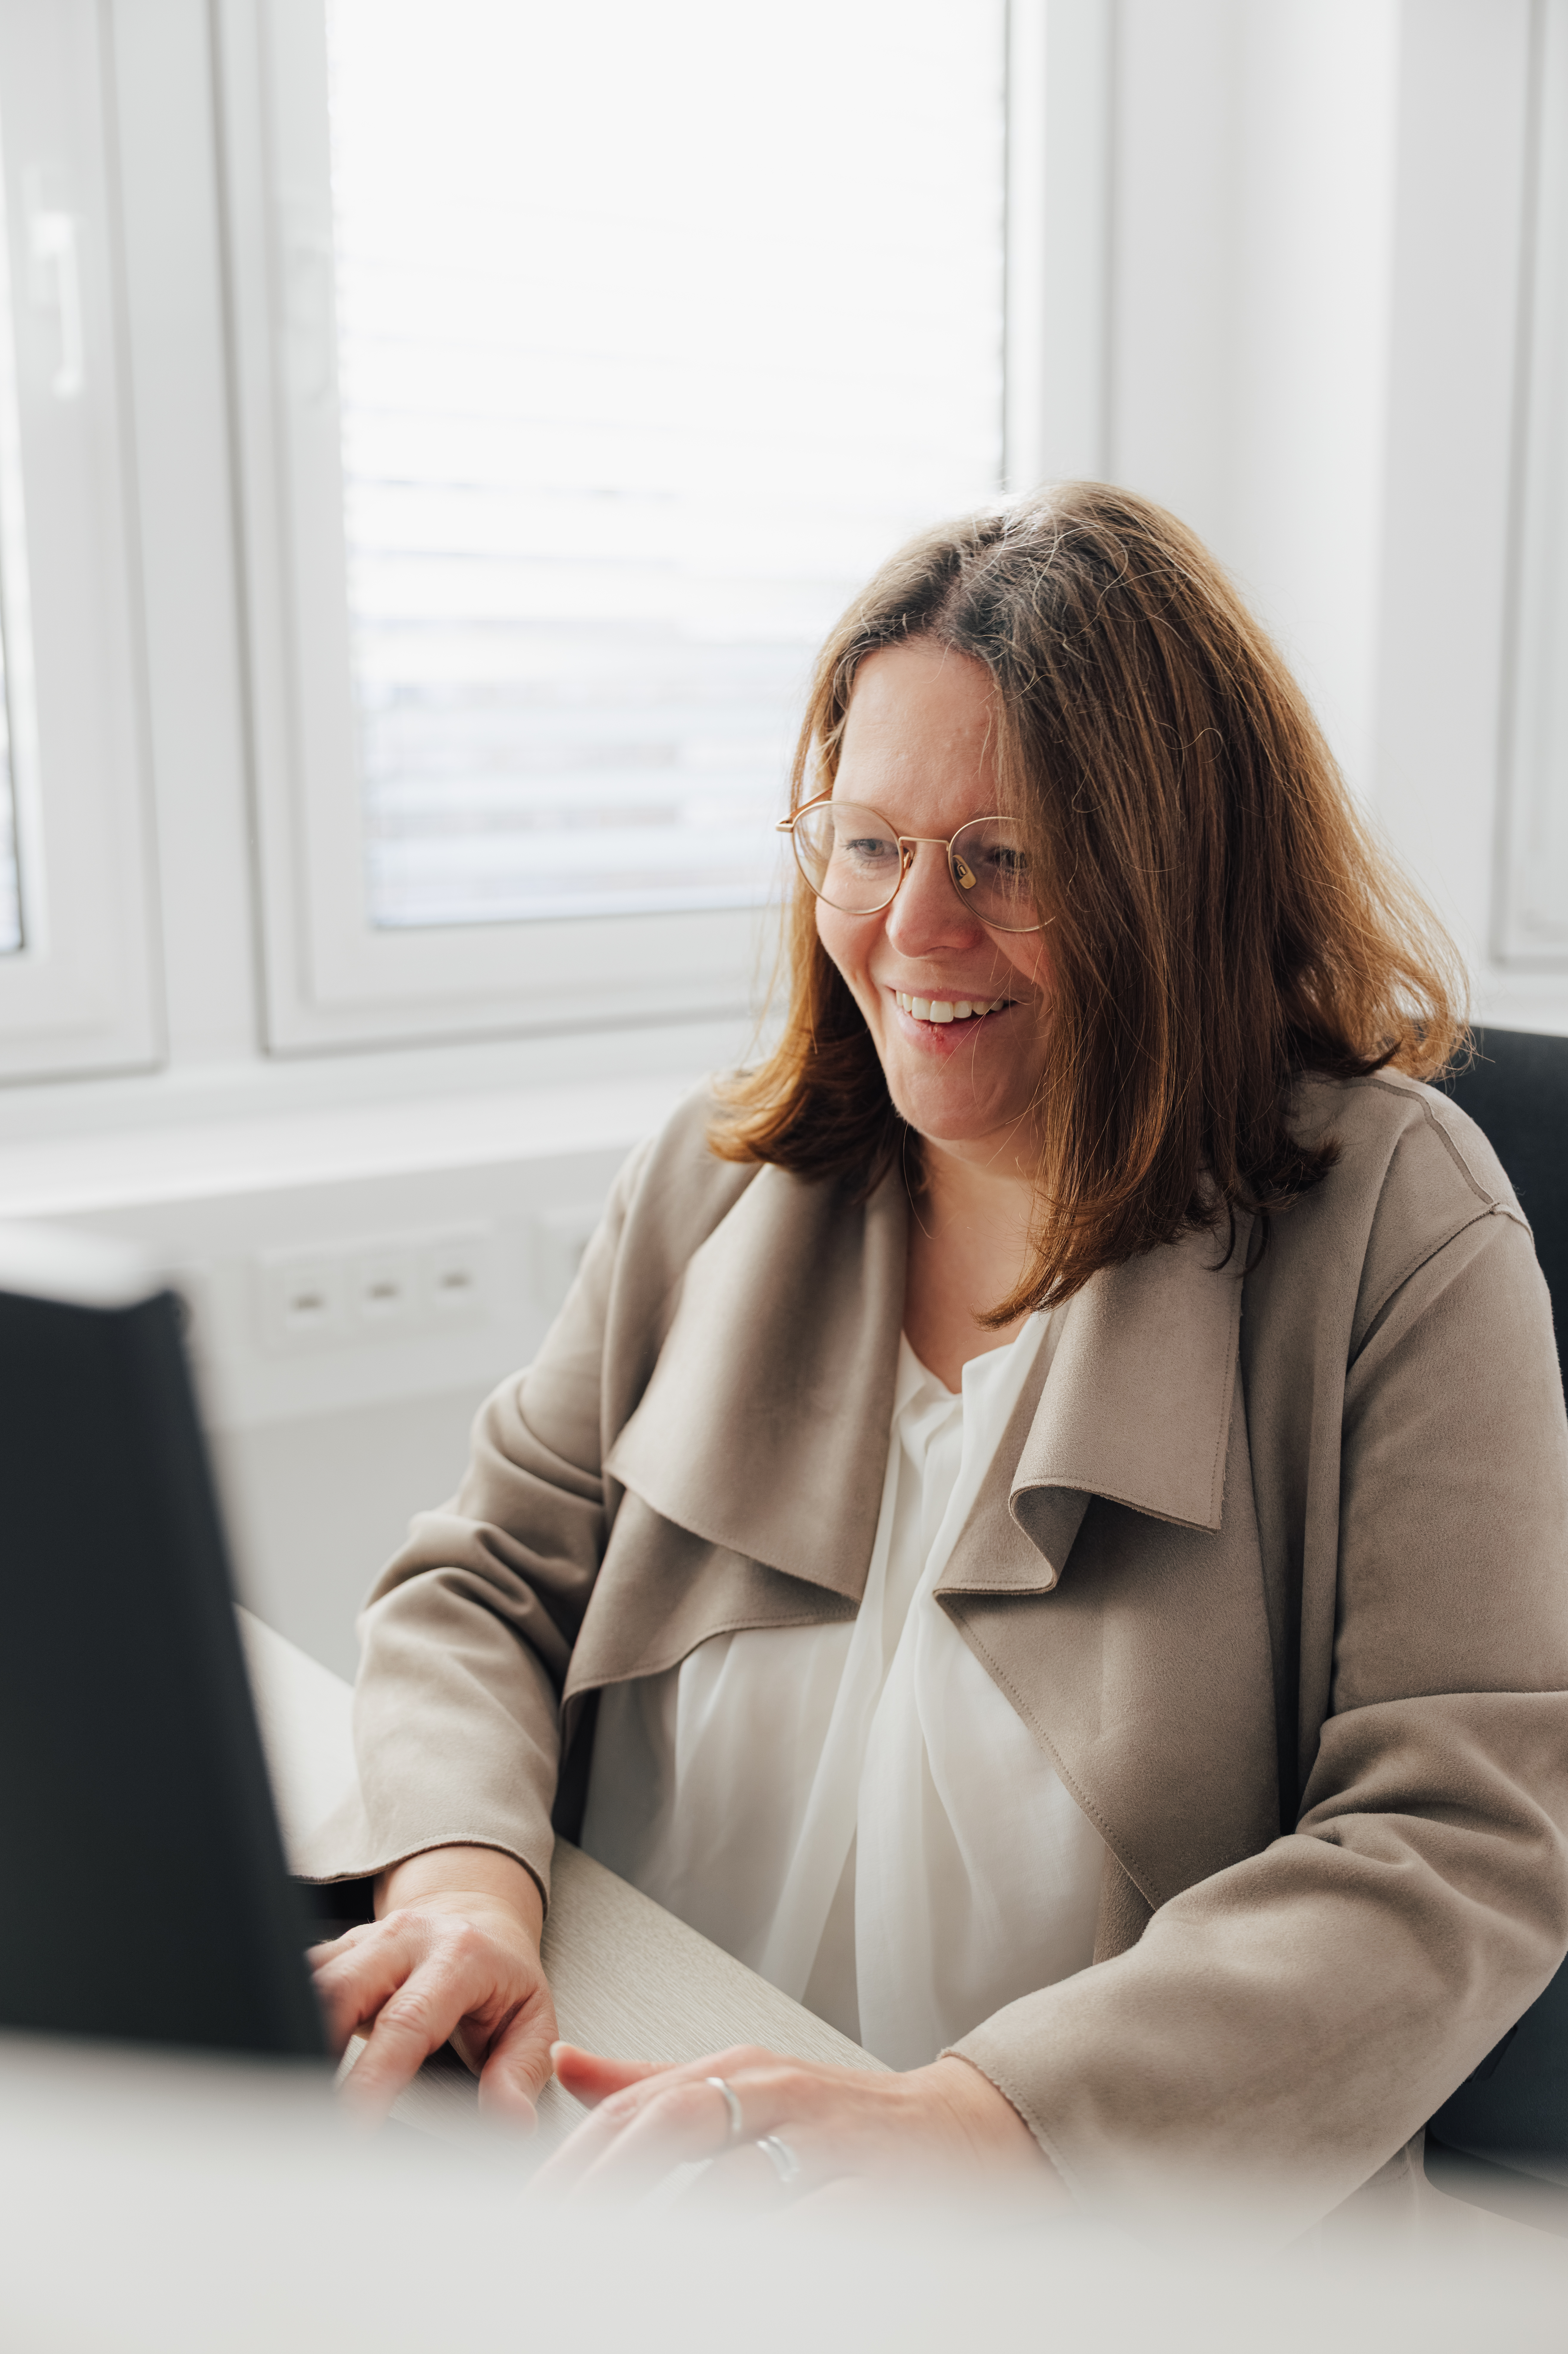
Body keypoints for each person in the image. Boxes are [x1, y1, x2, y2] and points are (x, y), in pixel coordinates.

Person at [303, 483, 1568, 2234]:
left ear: (1176, 881)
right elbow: (481, 1582)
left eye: (1005, 859)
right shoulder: (719, 1179)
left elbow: (1462, 1836)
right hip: (635, 2152)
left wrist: (989, 2126)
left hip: (1104, 2241)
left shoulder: (1397, 1227)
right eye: (871, 843)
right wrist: (462, 1884)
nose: (912, 932)